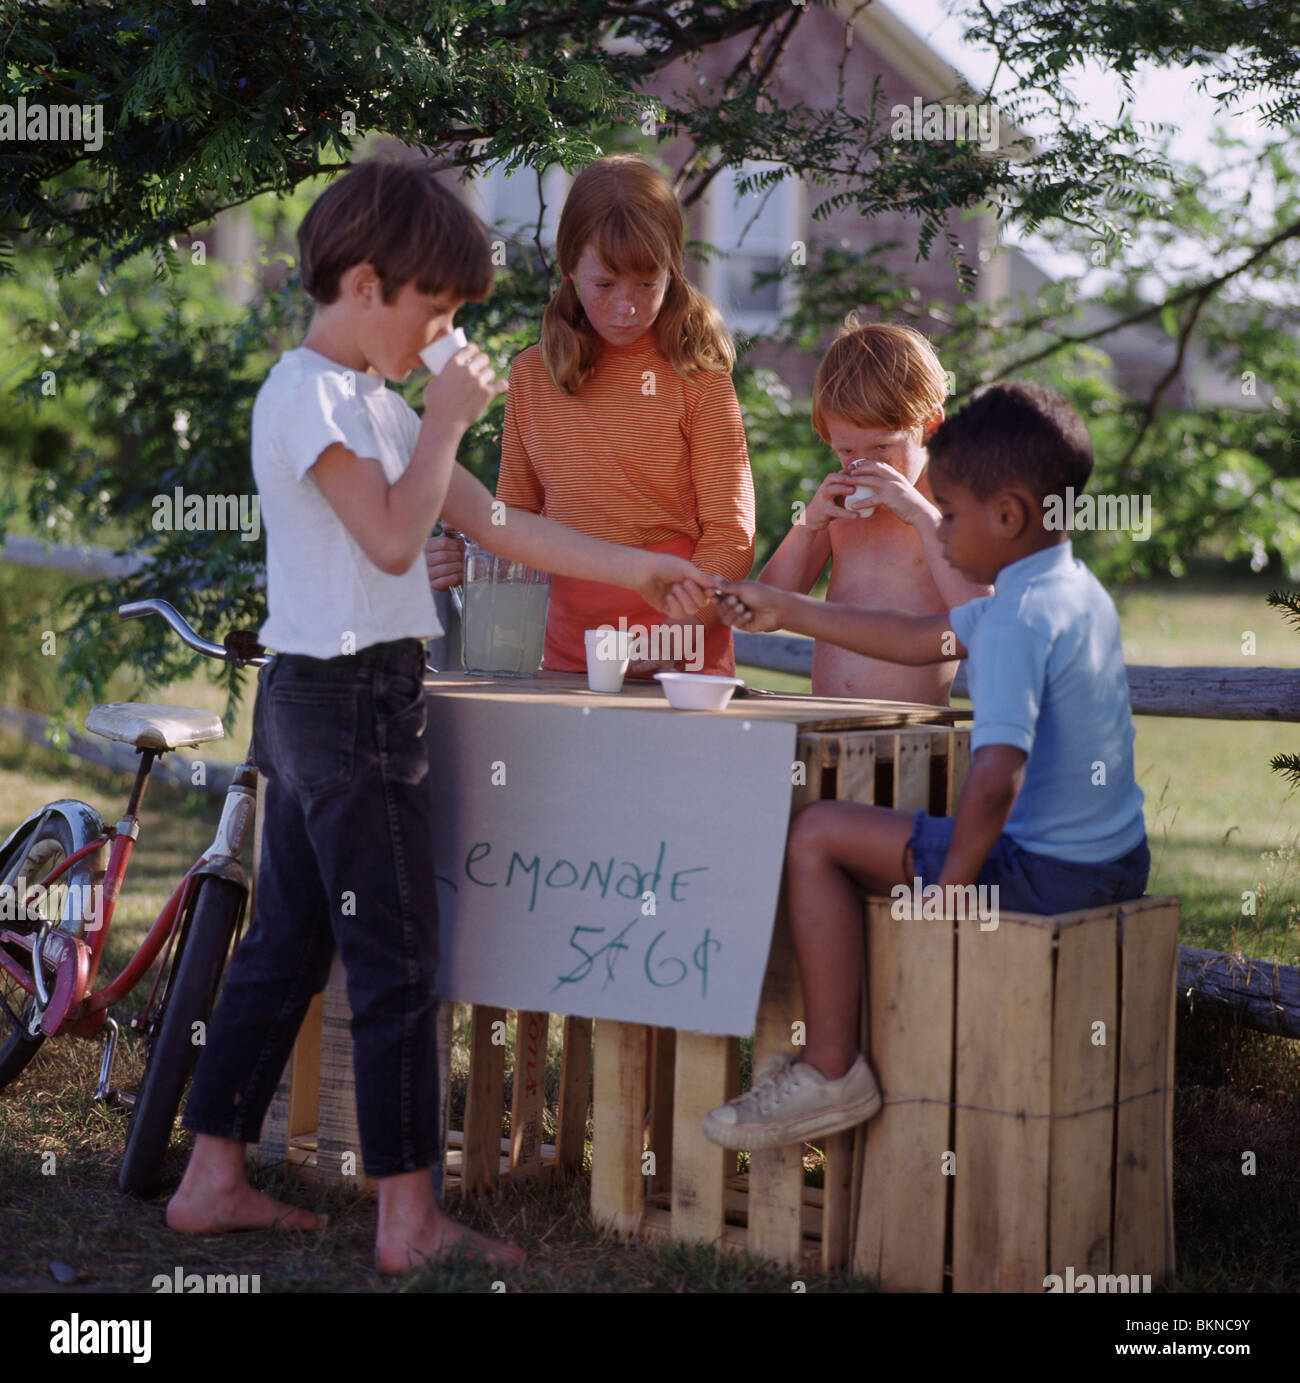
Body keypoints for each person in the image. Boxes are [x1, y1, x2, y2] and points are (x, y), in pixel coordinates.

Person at [165, 157, 707, 1271]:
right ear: (366, 284)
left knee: (287, 944)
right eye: (436, 310)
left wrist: (638, 570)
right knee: (401, 960)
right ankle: (407, 1220)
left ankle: (210, 1181)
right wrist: (453, 413)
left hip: (331, 698)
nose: (442, 336)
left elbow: (504, 526)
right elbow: (395, 541)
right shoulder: (305, 395)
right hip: (349, 704)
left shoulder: (372, 401)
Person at [693, 381, 1150, 1149]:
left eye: (949, 513)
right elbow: (920, 638)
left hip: (1046, 872)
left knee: (816, 837)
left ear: (1008, 514)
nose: (937, 532)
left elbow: (998, 770)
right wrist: (792, 611)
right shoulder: (1066, 587)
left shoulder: (1016, 618)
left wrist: (947, 891)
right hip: (1114, 859)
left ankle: (833, 1069)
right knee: (846, 830)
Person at [425, 154, 754, 678]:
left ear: (673, 268)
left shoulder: (698, 375)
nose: (627, 307)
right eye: (605, 285)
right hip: (567, 657)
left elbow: (731, 536)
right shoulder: (533, 376)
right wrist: (468, 558)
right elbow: (515, 522)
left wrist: (678, 629)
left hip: (681, 662)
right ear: (569, 265)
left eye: (648, 284)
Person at [757, 318, 990, 700]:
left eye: (882, 448)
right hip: (831, 730)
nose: (863, 465)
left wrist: (921, 516)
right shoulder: (840, 508)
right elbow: (768, 607)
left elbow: (983, 615)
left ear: (930, 427)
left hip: (913, 737)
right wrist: (809, 524)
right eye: (846, 450)